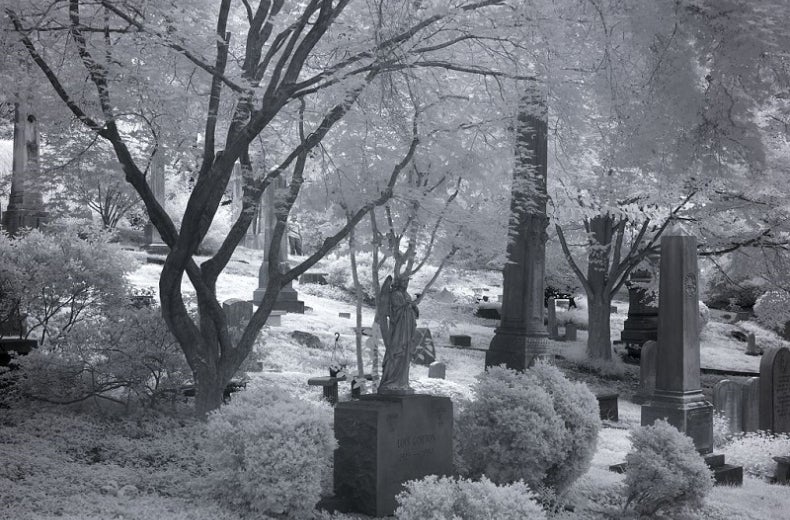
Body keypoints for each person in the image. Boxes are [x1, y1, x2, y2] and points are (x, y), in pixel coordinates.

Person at [377, 275, 419, 395]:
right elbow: (396, 310)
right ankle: (390, 382)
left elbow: (411, 309)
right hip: (399, 331)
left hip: (407, 329)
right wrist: (410, 305)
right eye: (404, 281)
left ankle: (402, 382)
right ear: (399, 282)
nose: (406, 283)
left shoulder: (407, 295)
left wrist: (413, 307)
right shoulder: (395, 294)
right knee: (396, 353)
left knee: (405, 356)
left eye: (407, 281)